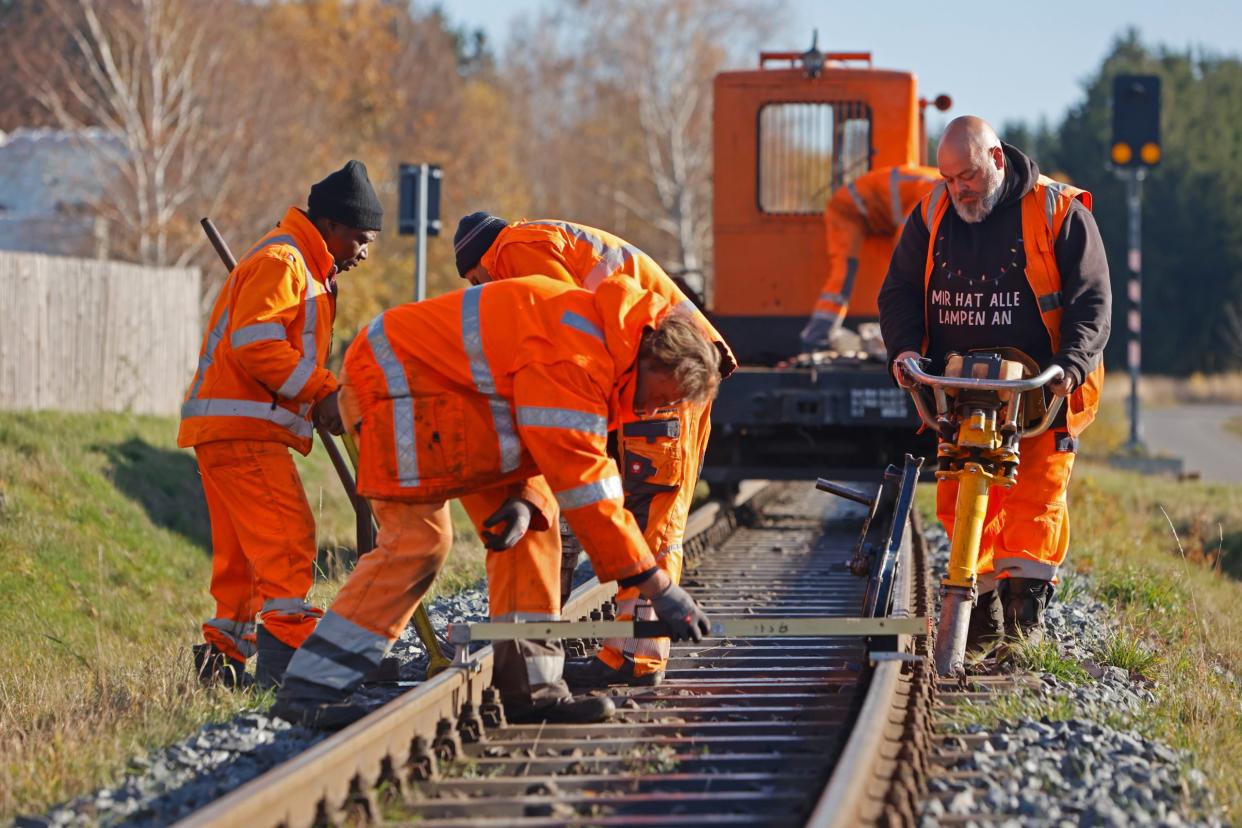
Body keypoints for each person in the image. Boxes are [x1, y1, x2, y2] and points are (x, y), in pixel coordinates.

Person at [272, 276, 719, 728]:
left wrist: (524, 496)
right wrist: (659, 588)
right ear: (649, 358)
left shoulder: (602, 345)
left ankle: (533, 690)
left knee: (533, 529)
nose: (648, 412)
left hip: (462, 404)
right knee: (418, 542)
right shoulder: (577, 356)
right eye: (659, 399)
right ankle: (312, 689)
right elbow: (587, 486)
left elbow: (543, 432)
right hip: (395, 384)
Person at [451, 214, 734, 689]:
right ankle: (630, 651)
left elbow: (564, 337)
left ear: (478, 266)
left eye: (478, 284)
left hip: (664, 368)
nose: (485, 290)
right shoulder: (540, 239)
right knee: (645, 507)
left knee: (649, 514)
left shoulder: (514, 250)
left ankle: (638, 657)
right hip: (662, 363)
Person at [878, 116, 1110, 649]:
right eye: (949, 178)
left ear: (998, 159)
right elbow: (898, 291)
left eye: (968, 176)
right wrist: (906, 351)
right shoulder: (933, 212)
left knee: (1035, 498)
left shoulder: (1058, 212)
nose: (958, 190)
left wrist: (1070, 366)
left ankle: (1024, 619)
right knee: (961, 497)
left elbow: (1092, 301)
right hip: (960, 391)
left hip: (1041, 393)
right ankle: (976, 618)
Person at [178, 160, 382, 689]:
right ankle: (289, 664)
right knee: (289, 540)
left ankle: (221, 663)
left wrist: (317, 398)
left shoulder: (298, 262)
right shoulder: (284, 261)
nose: (364, 253)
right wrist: (322, 391)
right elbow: (256, 345)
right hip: (243, 430)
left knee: (244, 557)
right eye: (360, 239)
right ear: (332, 226)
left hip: (228, 427)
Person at [799, 165, 941, 351]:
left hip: (872, 216)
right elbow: (906, 239)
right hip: (847, 209)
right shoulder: (935, 195)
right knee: (843, 274)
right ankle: (815, 337)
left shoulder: (942, 184)